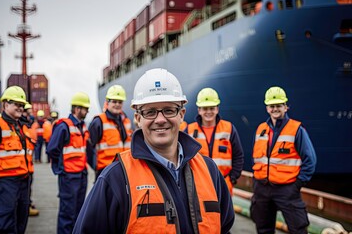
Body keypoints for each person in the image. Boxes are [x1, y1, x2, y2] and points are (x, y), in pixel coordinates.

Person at [73, 68, 234, 234]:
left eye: (169, 110)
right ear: (138, 119)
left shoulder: (209, 170)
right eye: (150, 112)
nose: (160, 119)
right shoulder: (115, 179)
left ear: (182, 114)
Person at [250, 86, 317, 234]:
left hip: (287, 189)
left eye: (279, 106)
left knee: (298, 229)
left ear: (286, 107)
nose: (275, 109)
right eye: (272, 106)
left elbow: (310, 160)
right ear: (267, 108)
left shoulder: (296, 129)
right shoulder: (261, 129)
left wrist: (297, 184)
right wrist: (256, 182)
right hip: (262, 188)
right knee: (263, 228)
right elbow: (256, 158)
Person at [46, 92, 90, 234]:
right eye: (85, 108)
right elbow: (52, 149)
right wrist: (61, 169)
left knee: (78, 213)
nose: (87, 111)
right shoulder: (64, 126)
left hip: (81, 175)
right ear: (77, 109)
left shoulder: (82, 126)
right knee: (67, 215)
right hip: (69, 178)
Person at [187, 87, 244, 195]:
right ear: (199, 110)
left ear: (217, 109)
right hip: (198, 186)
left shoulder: (229, 129)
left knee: (224, 212)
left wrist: (232, 179)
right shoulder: (189, 131)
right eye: (205, 108)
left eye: (212, 108)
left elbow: (238, 156)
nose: (208, 112)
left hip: (223, 185)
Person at [0, 86, 30, 233]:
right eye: (16, 104)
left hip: (22, 182)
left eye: (22, 105)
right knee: (4, 223)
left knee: (21, 220)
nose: (20, 108)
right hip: (3, 183)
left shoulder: (19, 126)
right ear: (5, 104)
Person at [87, 85, 133, 180]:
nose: (117, 104)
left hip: (124, 170)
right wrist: (96, 167)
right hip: (105, 172)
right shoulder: (98, 122)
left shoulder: (126, 121)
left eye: (120, 102)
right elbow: (89, 148)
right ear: (107, 102)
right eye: (114, 101)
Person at [20, 102, 40, 216]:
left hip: (28, 165)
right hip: (21, 167)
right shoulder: (21, 126)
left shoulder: (29, 125)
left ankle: (28, 204)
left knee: (28, 188)